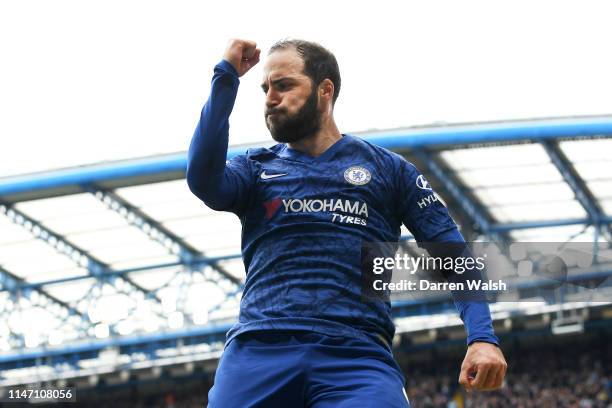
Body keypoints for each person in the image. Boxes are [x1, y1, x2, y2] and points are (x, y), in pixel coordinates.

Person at [186, 38, 507, 408]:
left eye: (284, 85)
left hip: (356, 357)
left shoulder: (390, 171)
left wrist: (481, 336)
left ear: (325, 91)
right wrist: (225, 77)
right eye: (265, 89)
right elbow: (202, 180)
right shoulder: (255, 168)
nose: (270, 99)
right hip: (259, 352)